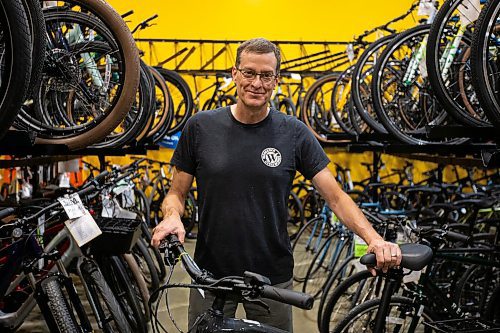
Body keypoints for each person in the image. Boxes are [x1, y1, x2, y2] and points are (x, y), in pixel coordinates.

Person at [151, 37, 402, 332]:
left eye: (266, 75)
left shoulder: (294, 133)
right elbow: (176, 193)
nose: (257, 83)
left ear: (276, 80)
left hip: (272, 276)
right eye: (249, 72)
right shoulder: (200, 127)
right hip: (210, 274)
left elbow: (335, 197)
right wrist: (171, 217)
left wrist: (373, 238)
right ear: (235, 74)